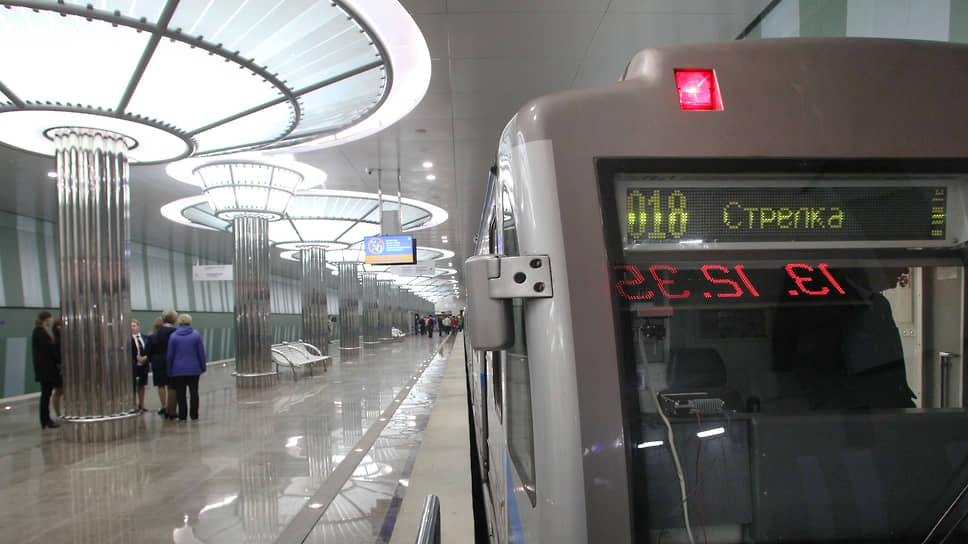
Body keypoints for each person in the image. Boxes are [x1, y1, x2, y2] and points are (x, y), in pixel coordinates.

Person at [773, 267, 916, 410]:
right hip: (847, 405)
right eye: (895, 267)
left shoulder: (879, 304)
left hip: (884, 401)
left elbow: (891, 353)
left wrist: (902, 392)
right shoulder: (831, 303)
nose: (902, 272)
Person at [167, 313, 206, 421]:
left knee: (181, 393)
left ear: (179, 322)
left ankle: (182, 415)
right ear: (190, 322)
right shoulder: (196, 335)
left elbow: (170, 355)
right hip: (194, 368)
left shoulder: (173, 336)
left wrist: (169, 369)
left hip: (178, 369)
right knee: (194, 392)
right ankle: (194, 414)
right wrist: (203, 366)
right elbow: (201, 353)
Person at [31, 311, 60, 429]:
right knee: (46, 395)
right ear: (46, 319)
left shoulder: (39, 332)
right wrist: (58, 361)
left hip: (45, 369)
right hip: (46, 370)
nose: (51, 320)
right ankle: (45, 419)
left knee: (46, 395)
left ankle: (46, 419)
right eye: (50, 318)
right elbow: (49, 350)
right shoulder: (40, 333)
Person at [148, 310, 177, 419]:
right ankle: (171, 407)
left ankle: (163, 405)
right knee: (171, 385)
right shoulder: (174, 332)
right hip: (171, 361)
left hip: (158, 362)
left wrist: (151, 359)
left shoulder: (155, 335)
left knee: (161, 385)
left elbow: (149, 351)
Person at [130, 319, 149, 412]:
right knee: (133, 385)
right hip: (133, 365)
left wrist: (145, 357)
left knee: (142, 385)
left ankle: (142, 404)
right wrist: (136, 357)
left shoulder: (145, 338)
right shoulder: (128, 339)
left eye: (134, 326)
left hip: (144, 365)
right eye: (131, 326)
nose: (132, 328)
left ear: (138, 326)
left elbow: (149, 349)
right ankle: (134, 405)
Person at [50, 318, 64, 418]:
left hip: (61, 368)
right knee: (58, 391)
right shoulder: (57, 340)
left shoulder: (59, 338)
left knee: (60, 392)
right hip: (59, 369)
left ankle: (60, 413)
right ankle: (58, 414)